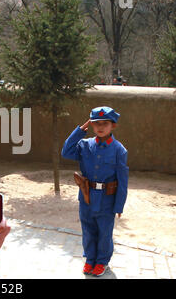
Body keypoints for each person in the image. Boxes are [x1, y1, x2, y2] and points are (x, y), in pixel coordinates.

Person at [61, 107, 129, 277]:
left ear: (113, 125)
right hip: (86, 196)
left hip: (107, 199)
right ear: (91, 125)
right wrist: (80, 131)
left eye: (105, 123)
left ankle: (102, 261)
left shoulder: (119, 150)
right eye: (96, 123)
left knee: (105, 232)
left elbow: (122, 180)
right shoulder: (85, 145)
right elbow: (66, 152)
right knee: (88, 229)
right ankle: (90, 259)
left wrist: (119, 206)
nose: (100, 127)